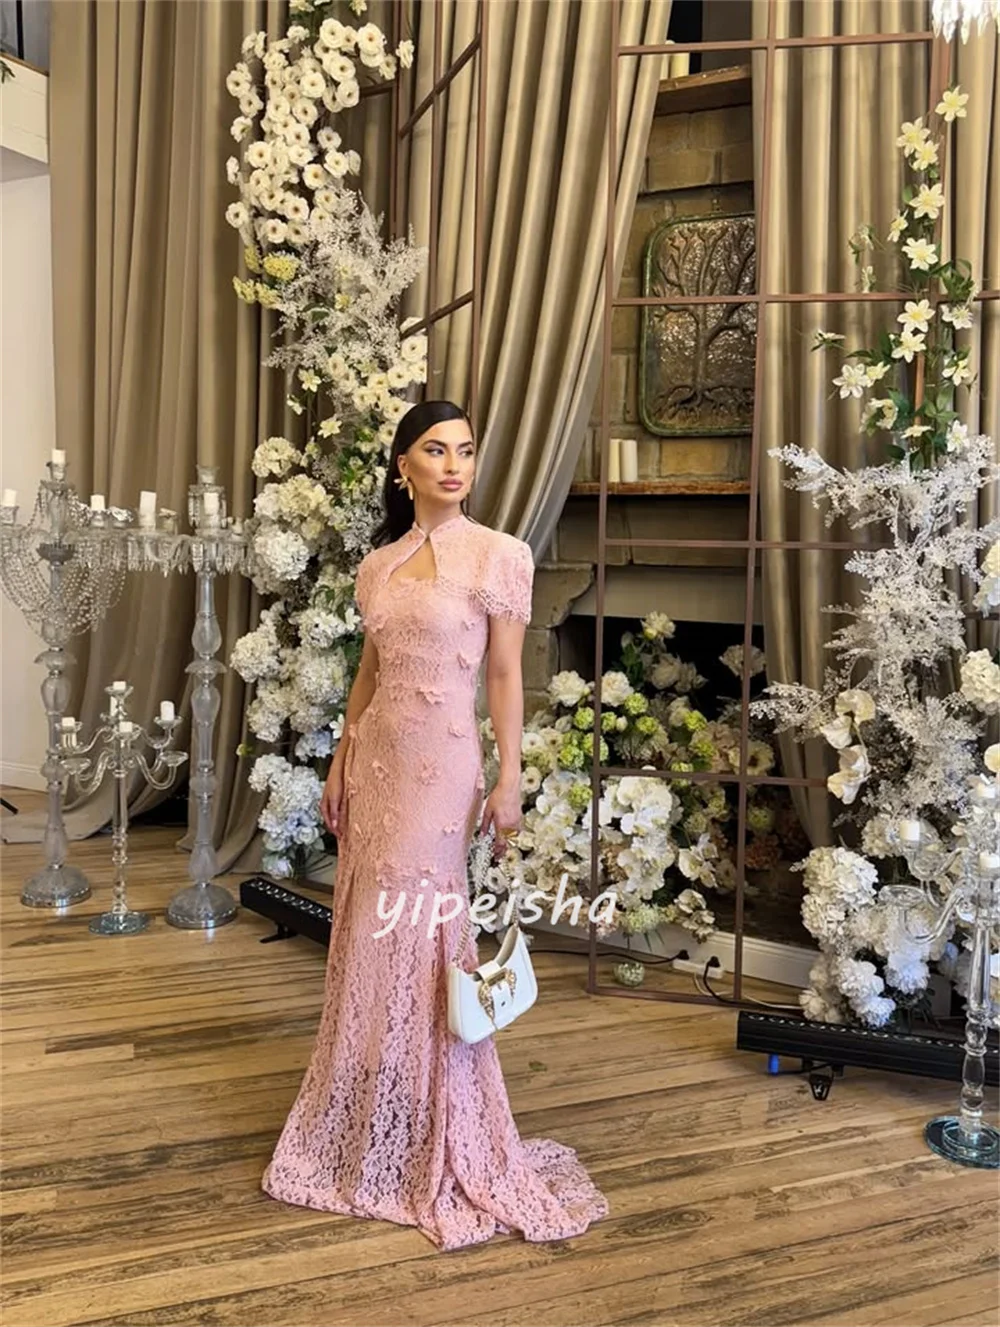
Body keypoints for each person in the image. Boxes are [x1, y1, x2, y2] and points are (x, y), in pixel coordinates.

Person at [261, 400, 609, 1250]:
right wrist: (341, 760)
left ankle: (437, 1118)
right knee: (368, 926)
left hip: (444, 767)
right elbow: (369, 674)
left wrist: (509, 775)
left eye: (465, 450)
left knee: (421, 927)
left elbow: (504, 676)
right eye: (435, 449)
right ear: (403, 467)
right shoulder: (377, 566)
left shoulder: (500, 555)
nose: (454, 465)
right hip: (377, 762)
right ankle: (377, 1104)